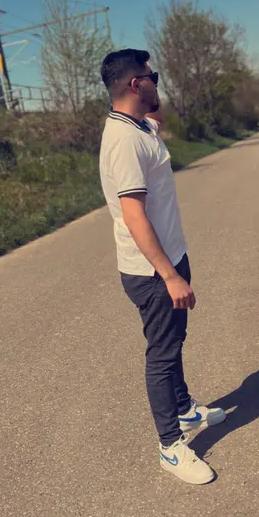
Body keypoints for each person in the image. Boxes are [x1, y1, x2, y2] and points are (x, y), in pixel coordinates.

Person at [99, 49, 226, 485]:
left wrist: (153, 89)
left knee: (175, 339)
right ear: (136, 84)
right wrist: (169, 275)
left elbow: (157, 116)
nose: (158, 81)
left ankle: (185, 409)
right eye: (153, 76)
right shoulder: (124, 141)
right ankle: (170, 446)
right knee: (162, 351)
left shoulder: (140, 126)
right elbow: (134, 216)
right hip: (153, 271)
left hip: (170, 257)